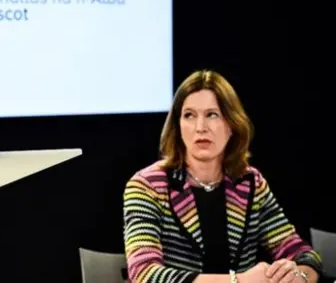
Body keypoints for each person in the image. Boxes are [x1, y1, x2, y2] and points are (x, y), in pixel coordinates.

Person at [122, 70, 323, 283]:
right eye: (189, 115)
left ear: (231, 125)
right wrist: (238, 281)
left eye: (212, 115)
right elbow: (144, 274)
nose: (200, 128)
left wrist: (299, 276)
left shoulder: (250, 183)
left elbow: (304, 254)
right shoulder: (147, 186)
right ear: (178, 126)